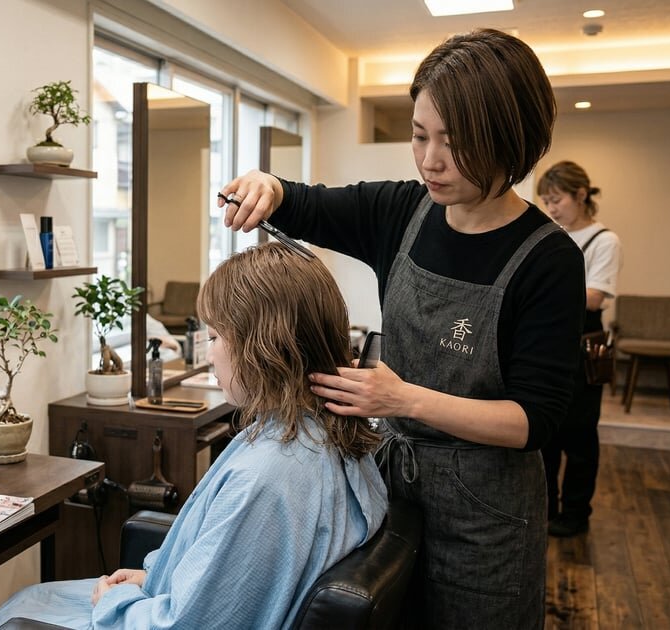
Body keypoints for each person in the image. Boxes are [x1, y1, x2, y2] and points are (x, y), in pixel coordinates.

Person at [218, 28, 584, 628]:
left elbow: (534, 420)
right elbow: (303, 203)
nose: (430, 160)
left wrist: (402, 398)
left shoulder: (547, 259)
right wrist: (269, 186)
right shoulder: (401, 212)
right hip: (391, 495)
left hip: (487, 518)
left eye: (455, 142)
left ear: (510, 138)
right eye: (419, 136)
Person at [0, 242, 388, 630]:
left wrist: (111, 603)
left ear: (262, 346)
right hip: (168, 596)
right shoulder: (325, 433)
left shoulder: (266, 478)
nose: (208, 353)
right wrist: (154, 573)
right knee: (30, 598)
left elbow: (186, 623)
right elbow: (224, 574)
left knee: (16, 612)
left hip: (155, 617)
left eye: (214, 338)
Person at [537, 161, 621, 538]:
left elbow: (595, 298)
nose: (552, 209)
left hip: (586, 343)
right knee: (546, 431)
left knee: (581, 434)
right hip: (548, 336)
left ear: (581, 195)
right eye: (546, 202)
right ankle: (546, 508)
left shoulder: (604, 240)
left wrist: (544, 290)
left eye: (557, 200)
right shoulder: (549, 234)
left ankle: (575, 512)